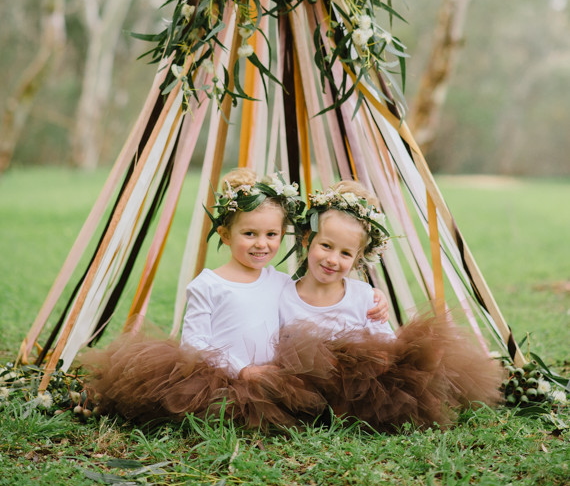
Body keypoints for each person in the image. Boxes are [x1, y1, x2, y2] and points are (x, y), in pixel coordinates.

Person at [84, 170, 386, 427]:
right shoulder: (208, 285)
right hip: (222, 379)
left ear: (283, 234)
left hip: (272, 381)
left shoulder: (281, 284)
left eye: (271, 234)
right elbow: (193, 342)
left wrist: (373, 296)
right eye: (249, 234)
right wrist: (241, 369)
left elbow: (315, 308)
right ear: (225, 235)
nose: (261, 244)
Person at [274, 180, 504, 431]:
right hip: (304, 391)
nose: (332, 259)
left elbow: (385, 344)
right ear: (307, 239)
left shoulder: (362, 296)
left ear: (358, 258)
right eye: (326, 246)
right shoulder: (282, 294)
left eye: (345, 253)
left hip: (354, 393)